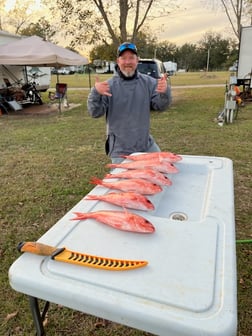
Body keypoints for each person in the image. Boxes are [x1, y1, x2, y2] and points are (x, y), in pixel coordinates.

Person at [87, 42, 172, 163]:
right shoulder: (107, 86)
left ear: (137, 60)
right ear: (118, 61)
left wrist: (165, 92)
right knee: (124, 181)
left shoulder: (149, 83)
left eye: (131, 58)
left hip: (146, 146)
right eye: (123, 58)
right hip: (120, 151)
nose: (128, 62)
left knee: (164, 170)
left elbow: (161, 107)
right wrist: (95, 92)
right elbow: (94, 113)